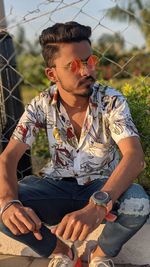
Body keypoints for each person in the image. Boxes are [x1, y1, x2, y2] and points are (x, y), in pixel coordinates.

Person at [0, 21, 149, 267]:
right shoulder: (41, 104)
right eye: (74, 66)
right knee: (3, 209)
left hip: (102, 188)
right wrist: (10, 203)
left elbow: (134, 157)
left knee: (137, 203)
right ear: (52, 74)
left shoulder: (110, 100)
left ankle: (99, 253)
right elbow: (8, 158)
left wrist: (99, 204)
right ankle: (62, 252)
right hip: (55, 187)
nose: (86, 71)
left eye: (90, 61)